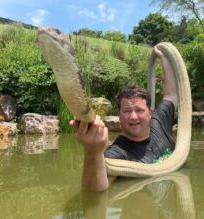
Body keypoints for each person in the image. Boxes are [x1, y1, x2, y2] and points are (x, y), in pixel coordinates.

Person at [70, 45, 177, 192]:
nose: (133, 117)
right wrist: (92, 152)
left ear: (150, 111)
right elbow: (97, 190)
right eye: (127, 111)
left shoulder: (159, 121)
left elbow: (171, 94)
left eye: (139, 110)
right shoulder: (118, 153)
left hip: (164, 213)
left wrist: (165, 57)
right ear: (119, 115)